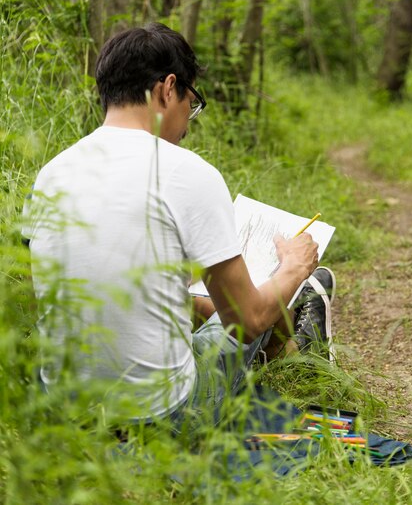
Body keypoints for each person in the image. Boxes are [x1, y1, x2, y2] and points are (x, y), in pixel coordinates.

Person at [22, 23, 335, 429]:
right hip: (161, 416)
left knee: (197, 301)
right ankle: (303, 346)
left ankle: (291, 349)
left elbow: (76, 292)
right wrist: (294, 264)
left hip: (63, 413)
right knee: (257, 300)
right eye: (192, 102)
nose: (188, 122)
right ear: (168, 89)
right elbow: (248, 320)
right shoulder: (186, 171)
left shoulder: (52, 172)